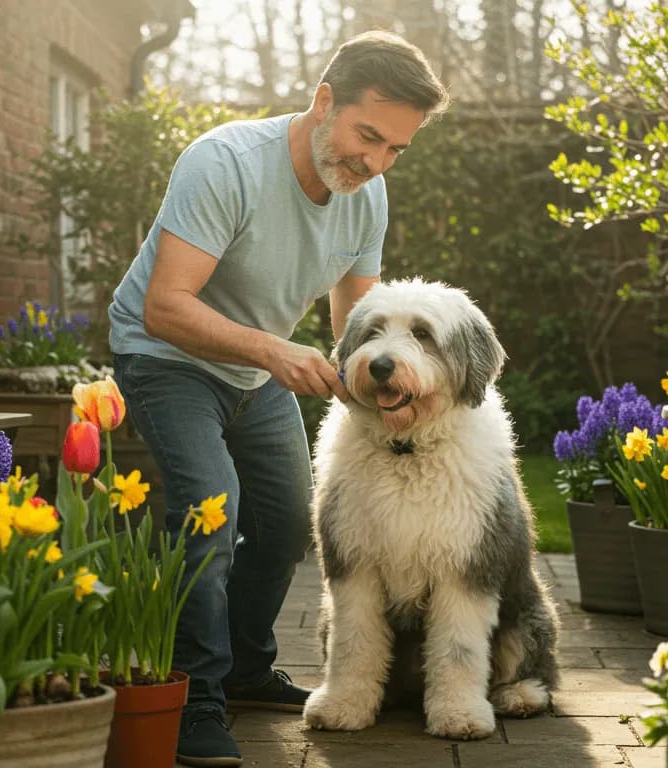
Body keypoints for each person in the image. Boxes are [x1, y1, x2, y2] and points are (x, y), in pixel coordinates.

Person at [107, 30, 449, 768]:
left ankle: (245, 669)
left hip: (252, 369)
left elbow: (356, 331)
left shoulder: (366, 197)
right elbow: (166, 306)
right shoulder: (225, 163)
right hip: (165, 356)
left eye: (395, 149)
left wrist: (396, 394)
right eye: (368, 135)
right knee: (210, 509)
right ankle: (194, 700)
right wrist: (273, 350)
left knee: (289, 518)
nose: (376, 161)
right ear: (324, 101)